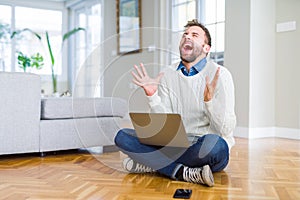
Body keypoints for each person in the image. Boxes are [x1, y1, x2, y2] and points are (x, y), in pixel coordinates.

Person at [114, 19, 236, 187]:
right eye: (185, 34)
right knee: (122, 137)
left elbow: (226, 129)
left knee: (217, 146)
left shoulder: (220, 75)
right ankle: (182, 172)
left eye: (194, 35)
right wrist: (153, 96)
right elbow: (165, 124)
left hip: (203, 147)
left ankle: (151, 163)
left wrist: (209, 103)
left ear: (206, 48)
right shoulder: (168, 73)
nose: (187, 37)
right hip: (175, 145)